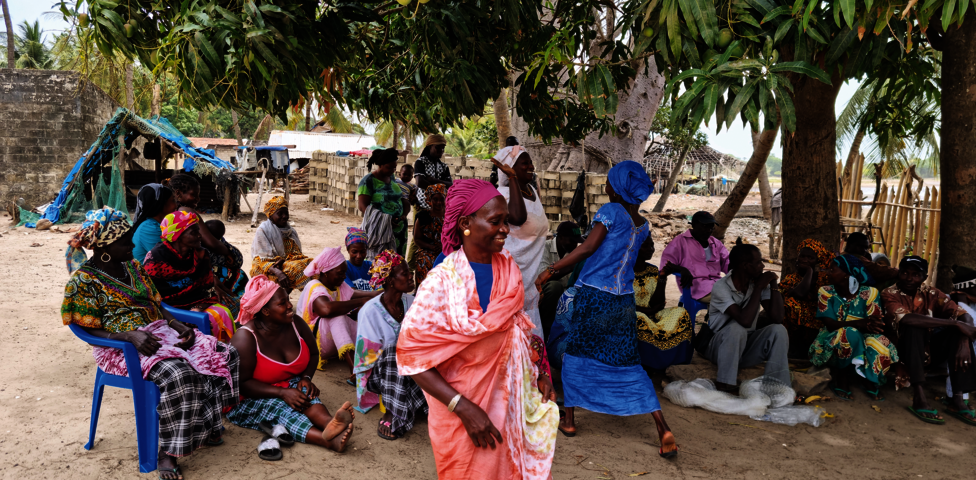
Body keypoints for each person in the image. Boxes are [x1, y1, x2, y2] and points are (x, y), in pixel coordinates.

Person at [397, 179, 558, 479]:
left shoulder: (508, 266)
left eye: (506, 221)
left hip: (510, 402)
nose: (506, 230)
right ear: (465, 223)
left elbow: (517, 329)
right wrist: (463, 408)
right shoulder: (441, 283)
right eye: (495, 221)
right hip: (463, 414)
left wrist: (540, 372)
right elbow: (412, 358)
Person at [62, 207, 239, 479]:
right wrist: (127, 336)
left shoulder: (132, 266)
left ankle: (206, 426)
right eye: (124, 242)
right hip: (118, 348)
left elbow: (157, 304)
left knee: (224, 353)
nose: (132, 245)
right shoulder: (84, 281)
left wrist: (175, 323)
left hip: (156, 332)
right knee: (180, 374)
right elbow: (84, 329)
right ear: (105, 248)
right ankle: (168, 452)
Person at [534, 161, 677, 457]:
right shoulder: (642, 223)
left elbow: (587, 249)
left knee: (576, 353)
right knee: (628, 361)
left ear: (619, 187)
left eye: (610, 182)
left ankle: (570, 421)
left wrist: (551, 271)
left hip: (595, 296)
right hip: (623, 301)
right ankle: (663, 428)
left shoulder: (611, 212)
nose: (607, 186)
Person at [228, 275, 355, 457]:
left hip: (285, 383)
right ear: (265, 311)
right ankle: (327, 440)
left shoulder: (295, 323)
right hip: (245, 399)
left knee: (305, 395)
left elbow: (313, 353)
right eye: (282, 303)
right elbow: (241, 384)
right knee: (281, 409)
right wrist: (282, 393)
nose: (289, 305)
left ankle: (330, 423)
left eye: (288, 300)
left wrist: (306, 378)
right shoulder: (245, 338)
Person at [882, 256, 976, 425]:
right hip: (900, 353)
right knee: (914, 327)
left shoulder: (932, 293)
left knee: (959, 333)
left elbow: (963, 316)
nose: (909, 278)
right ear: (898, 274)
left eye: (916, 274)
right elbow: (907, 319)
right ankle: (919, 395)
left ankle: (957, 399)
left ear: (924, 277)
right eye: (904, 273)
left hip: (928, 353)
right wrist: (954, 324)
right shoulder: (889, 293)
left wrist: (963, 340)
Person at [353, 250, 428, 439]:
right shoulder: (370, 312)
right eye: (405, 274)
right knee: (394, 353)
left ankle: (412, 403)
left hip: (410, 367)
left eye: (410, 273)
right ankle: (392, 410)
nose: (411, 278)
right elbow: (367, 360)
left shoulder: (413, 302)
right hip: (380, 375)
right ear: (389, 280)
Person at [809, 255, 898, 401]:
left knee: (880, 342)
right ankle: (842, 378)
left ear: (847, 274)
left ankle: (868, 379)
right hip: (832, 339)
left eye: (833, 270)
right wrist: (859, 323)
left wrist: (864, 325)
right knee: (849, 333)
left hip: (862, 337)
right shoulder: (826, 292)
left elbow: (874, 324)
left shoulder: (870, 293)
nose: (828, 273)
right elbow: (830, 324)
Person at [702, 243, 789, 392]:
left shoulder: (757, 283)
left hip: (745, 349)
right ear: (745, 266)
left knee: (778, 330)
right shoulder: (721, 287)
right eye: (758, 262)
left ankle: (776, 386)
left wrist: (773, 283)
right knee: (737, 328)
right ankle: (725, 384)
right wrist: (759, 288)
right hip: (719, 348)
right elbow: (745, 320)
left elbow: (777, 317)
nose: (762, 266)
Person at [143, 211, 237, 342]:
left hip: (196, 304)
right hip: (168, 311)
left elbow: (208, 288)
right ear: (177, 236)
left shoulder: (201, 254)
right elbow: (151, 298)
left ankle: (222, 354)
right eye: (193, 233)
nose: (199, 236)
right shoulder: (155, 259)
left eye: (198, 231)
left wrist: (197, 309)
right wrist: (183, 317)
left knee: (223, 312)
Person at [491, 145, 549, 339]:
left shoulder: (532, 190)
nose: (531, 166)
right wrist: (512, 178)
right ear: (509, 168)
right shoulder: (502, 195)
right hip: (509, 278)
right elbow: (517, 217)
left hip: (528, 279)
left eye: (530, 162)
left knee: (530, 342)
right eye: (524, 163)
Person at [297, 247, 380, 375]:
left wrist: (376, 294)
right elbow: (326, 310)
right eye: (340, 273)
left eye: (344, 272)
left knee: (362, 319)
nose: (344, 276)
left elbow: (357, 294)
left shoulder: (337, 285)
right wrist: (361, 302)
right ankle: (354, 370)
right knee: (337, 317)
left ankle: (374, 356)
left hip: (329, 341)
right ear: (326, 272)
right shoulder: (314, 286)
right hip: (313, 344)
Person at [634, 235, 695, 370]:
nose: (651, 249)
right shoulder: (623, 272)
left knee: (681, 313)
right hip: (632, 313)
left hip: (654, 313)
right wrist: (649, 311)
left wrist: (662, 277)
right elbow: (622, 302)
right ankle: (648, 364)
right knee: (638, 318)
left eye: (652, 245)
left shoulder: (652, 270)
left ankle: (677, 361)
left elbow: (658, 301)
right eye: (646, 246)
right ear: (633, 248)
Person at [660, 211, 730, 303]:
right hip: (697, 289)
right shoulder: (680, 242)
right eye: (705, 226)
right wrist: (682, 269)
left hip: (718, 285)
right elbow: (665, 266)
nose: (708, 230)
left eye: (711, 227)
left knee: (743, 296)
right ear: (693, 225)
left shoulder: (716, 243)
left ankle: (715, 316)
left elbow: (728, 264)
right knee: (728, 299)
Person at [780, 239, 834, 357]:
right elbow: (801, 294)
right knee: (790, 304)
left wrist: (809, 271)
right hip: (797, 321)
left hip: (820, 315)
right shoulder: (792, 278)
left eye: (810, 258)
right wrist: (809, 271)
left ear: (817, 261)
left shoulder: (824, 278)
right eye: (802, 256)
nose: (805, 260)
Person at [250, 196, 313, 292]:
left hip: (284, 263)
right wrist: (277, 271)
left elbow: (296, 254)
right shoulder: (263, 230)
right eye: (280, 213)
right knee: (296, 268)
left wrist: (283, 261)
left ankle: (297, 296)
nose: (284, 216)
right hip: (266, 267)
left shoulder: (291, 231)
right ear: (270, 215)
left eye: (286, 213)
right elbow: (261, 260)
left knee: (312, 265)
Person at [358, 148, 409, 257]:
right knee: (381, 263)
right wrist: (385, 220)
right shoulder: (368, 180)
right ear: (380, 164)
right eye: (389, 167)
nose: (393, 170)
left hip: (399, 230)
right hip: (380, 229)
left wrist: (404, 213)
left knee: (397, 264)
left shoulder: (391, 177)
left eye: (394, 167)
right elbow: (362, 206)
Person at [168, 173, 231, 259]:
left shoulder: (171, 210)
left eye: (198, 195)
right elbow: (212, 244)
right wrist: (230, 253)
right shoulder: (185, 211)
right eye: (193, 195)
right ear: (178, 193)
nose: (198, 199)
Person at [537, 221, 584, 337]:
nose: (574, 245)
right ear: (561, 237)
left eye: (576, 242)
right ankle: (547, 330)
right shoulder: (544, 247)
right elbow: (543, 277)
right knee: (554, 286)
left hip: (564, 296)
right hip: (544, 293)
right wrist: (570, 266)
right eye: (572, 241)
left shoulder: (573, 252)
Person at [205, 219, 248, 318]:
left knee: (239, 276)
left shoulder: (219, 244)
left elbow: (238, 260)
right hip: (214, 277)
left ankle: (242, 303)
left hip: (222, 275)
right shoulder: (216, 246)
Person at [131, 183, 177, 261]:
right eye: (173, 201)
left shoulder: (157, 224)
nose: (176, 205)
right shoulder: (149, 228)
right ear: (161, 204)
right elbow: (168, 259)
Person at [412, 184, 446, 286]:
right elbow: (417, 239)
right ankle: (424, 293)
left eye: (441, 199)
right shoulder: (423, 216)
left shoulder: (450, 216)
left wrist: (444, 246)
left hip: (447, 249)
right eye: (435, 199)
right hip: (427, 249)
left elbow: (457, 237)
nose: (438, 202)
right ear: (429, 200)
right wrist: (431, 247)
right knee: (425, 260)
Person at [413, 134, 453, 210]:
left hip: (439, 207)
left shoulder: (444, 166)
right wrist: (440, 187)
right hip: (423, 205)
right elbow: (420, 182)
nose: (441, 150)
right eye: (437, 147)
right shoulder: (421, 162)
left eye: (443, 148)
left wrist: (433, 180)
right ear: (429, 147)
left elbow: (450, 185)